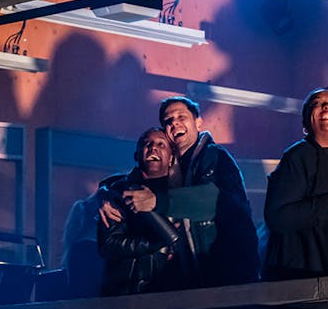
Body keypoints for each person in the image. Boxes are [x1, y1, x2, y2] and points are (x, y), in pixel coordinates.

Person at [100, 96, 259, 288]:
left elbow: (214, 201)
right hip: (191, 283)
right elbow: (132, 181)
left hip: (228, 275)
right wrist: (106, 193)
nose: (175, 122)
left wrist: (157, 201)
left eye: (181, 116)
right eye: (168, 121)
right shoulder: (176, 172)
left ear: (198, 123)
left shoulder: (215, 157)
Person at [262, 89, 328, 280]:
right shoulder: (296, 157)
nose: (327, 106)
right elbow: (278, 217)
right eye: (317, 103)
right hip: (305, 273)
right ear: (306, 121)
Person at [97, 128, 184, 297]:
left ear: (171, 157)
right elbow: (108, 245)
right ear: (137, 155)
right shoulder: (119, 191)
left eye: (161, 144)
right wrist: (157, 242)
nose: (153, 148)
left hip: (173, 297)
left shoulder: (181, 196)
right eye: (147, 144)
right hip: (128, 295)